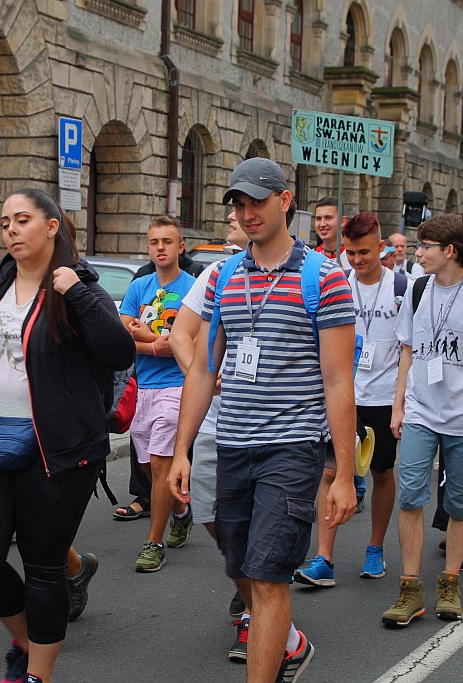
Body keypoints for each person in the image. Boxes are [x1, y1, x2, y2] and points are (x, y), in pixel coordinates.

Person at [169, 157, 358, 681]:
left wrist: (343, 475)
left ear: (285, 200)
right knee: (239, 564)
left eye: (258, 201)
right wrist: (182, 450)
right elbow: (205, 370)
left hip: (293, 446)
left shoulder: (325, 277)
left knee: (268, 574)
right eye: (240, 204)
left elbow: (340, 381)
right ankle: (291, 644)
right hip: (232, 442)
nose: (248, 213)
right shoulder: (224, 276)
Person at [0, 188, 133, 683]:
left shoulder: (78, 282)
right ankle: (26, 641)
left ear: (51, 226)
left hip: (59, 448)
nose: (10, 230)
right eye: (5, 222)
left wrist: (77, 294)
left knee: (42, 565)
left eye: (22, 220)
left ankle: (37, 674)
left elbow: (117, 352)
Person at [384, 214, 463, 626]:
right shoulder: (418, 290)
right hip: (422, 412)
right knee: (410, 496)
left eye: (425, 247)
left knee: (459, 504)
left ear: (449, 251)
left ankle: (450, 582)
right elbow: (406, 349)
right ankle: (410, 587)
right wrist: (399, 405)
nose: (417, 254)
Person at [295, 211, 408, 591]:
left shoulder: (402, 288)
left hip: (383, 397)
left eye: (365, 252)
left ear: (381, 248)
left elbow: (409, 349)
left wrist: (401, 403)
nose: (358, 260)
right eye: (352, 253)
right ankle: (324, 557)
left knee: (380, 473)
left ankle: (375, 547)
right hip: (343, 396)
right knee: (330, 472)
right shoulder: (338, 283)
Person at [167, 210, 252, 659]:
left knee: (259, 528)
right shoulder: (217, 274)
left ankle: (256, 614)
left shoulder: (307, 272)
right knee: (210, 515)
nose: (235, 220)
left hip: (270, 428)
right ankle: (248, 577)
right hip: (214, 420)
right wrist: (203, 375)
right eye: (233, 213)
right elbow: (180, 334)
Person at [119, 215, 197, 572]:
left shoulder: (194, 287)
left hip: (178, 386)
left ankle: (154, 543)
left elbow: (192, 337)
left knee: (163, 462)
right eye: (154, 242)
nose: (161, 248)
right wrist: (157, 343)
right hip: (143, 387)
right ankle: (181, 509)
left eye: (167, 242)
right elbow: (123, 334)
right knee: (151, 467)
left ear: (180, 247)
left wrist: (145, 334)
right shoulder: (140, 286)